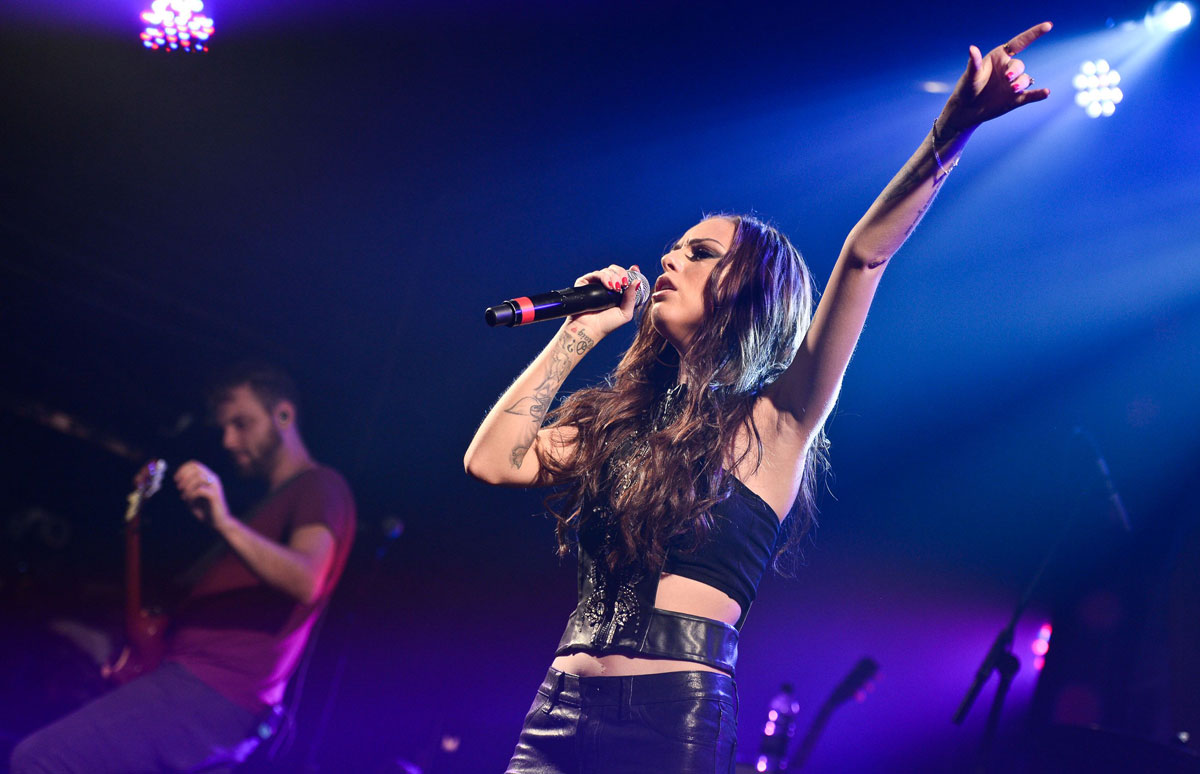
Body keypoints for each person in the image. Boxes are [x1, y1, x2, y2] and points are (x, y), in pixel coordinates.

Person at [464, 22, 1054, 773]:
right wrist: (578, 333)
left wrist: (953, 128)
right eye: (672, 248)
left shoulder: (777, 418)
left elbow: (865, 256)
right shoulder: (618, 427)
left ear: (750, 291)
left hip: (669, 719)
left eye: (700, 253)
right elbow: (490, 461)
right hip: (557, 712)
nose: (670, 259)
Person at [10, 363, 356, 773]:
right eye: (224, 428)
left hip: (209, 691)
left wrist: (224, 523)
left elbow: (305, 579)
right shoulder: (266, 507)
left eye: (242, 424)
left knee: (40, 760)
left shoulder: (320, 486)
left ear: (284, 415)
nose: (228, 440)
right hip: (195, 686)